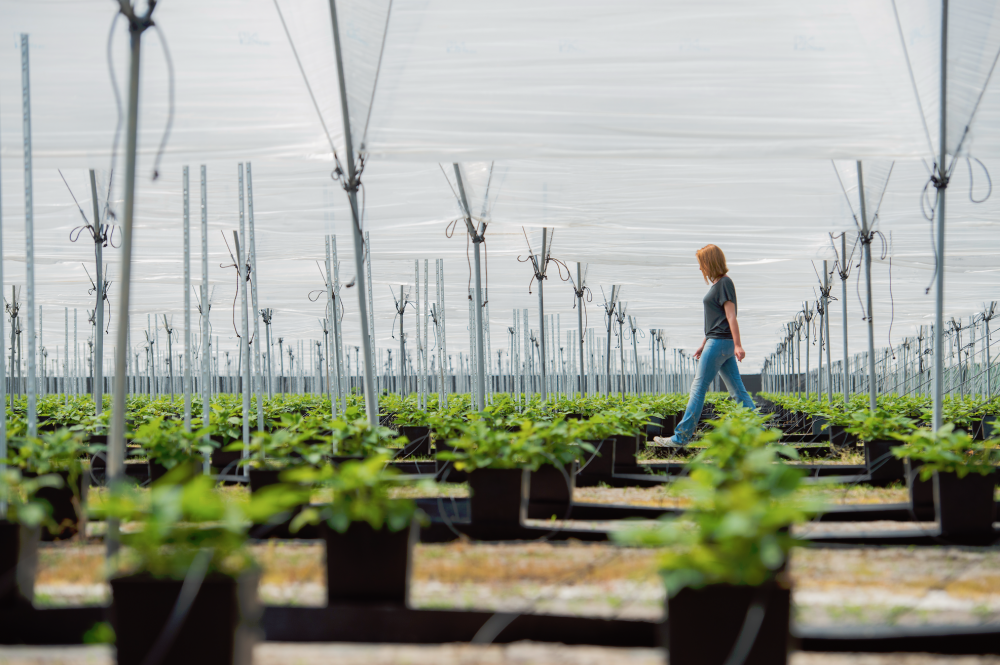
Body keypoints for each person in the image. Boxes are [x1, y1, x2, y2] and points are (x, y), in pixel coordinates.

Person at [663, 244, 756, 446]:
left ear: (710, 262)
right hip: (718, 342)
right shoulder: (717, 285)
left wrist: (738, 345)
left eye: (701, 263)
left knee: (698, 388)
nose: (700, 268)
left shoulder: (724, 283)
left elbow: (731, 317)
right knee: (738, 391)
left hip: (721, 343)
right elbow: (718, 320)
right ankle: (758, 434)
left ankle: (681, 437)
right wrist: (703, 343)